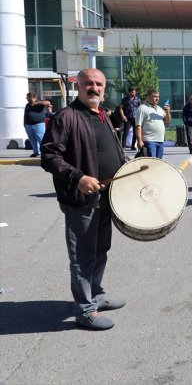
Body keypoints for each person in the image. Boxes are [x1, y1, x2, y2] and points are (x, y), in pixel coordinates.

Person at [40, 68, 127, 331]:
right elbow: (49, 156)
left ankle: (97, 296)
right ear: (79, 86)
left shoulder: (103, 115)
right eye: (89, 83)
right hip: (82, 200)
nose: (94, 88)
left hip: (107, 198)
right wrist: (78, 177)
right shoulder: (66, 117)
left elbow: (111, 151)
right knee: (83, 256)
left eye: (99, 84)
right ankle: (86, 310)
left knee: (101, 250)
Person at [135, 89, 171, 159]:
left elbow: (167, 121)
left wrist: (167, 112)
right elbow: (138, 126)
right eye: (154, 96)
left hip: (160, 140)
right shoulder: (142, 108)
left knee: (158, 162)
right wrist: (139, 140)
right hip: (149, 140)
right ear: (148, 97)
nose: (157, 99)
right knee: (152, 162)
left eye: (158, 97)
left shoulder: (159, 108)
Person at [24, 92, 52, 157]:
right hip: (28, 125)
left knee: (41, 139)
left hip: (38, 124)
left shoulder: (40, 103)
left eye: (27, 97)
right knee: (32, 140)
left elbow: (48, 103)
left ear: (32, 97)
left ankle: (45, 153)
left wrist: (37, 103)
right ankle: (36, 152)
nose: (26, 98)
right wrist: (25, 124)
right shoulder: (28, 105)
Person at [119, 86, 141, 151]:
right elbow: (120, 108)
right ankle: (123, 146)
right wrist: (123, 116)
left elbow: (140, 109)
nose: (134, 93)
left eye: (135, 92)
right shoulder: (125, 99)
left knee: (135, 132)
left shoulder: (138, 100)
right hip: (127, 118)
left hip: (135, 118)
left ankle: (133, 146)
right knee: (126, 132)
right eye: (132, 92)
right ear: (129, 92)